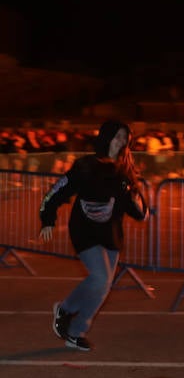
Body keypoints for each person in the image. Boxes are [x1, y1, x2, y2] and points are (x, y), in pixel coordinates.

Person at [38, 120, 150, 352]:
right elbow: (57, 190)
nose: (120, 141)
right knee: (100, 279)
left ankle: (75, 332)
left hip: (111, 234)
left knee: (103, 285)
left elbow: (137, 211)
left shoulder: (124, 171)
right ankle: (67, 309)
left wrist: (136, 198)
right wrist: (48, 217)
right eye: (116, 135)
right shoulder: (86, 165)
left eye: (124, 138)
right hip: (85, 231)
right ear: (106, 136)